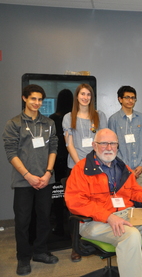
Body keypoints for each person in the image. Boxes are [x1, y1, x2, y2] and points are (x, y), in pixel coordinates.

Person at [65, 129, 142, 277]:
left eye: (113, 143)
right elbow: (75, 202)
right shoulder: (81, 169)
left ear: (118, 146)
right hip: (93, 222)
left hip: (124, 215)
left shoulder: (121, 167)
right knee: (130, 235)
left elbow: (135, 190)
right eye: (104, 143)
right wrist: (108, 216)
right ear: (94, 145)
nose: (109, 148)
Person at [3, 84, 59, 276]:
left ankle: (40, 251)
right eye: (33, 99)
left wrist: (48, 173)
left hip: (45, 180)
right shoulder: (14, 123)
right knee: (23, 221)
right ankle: (23, 258)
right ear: (24, 98)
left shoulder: (49, 123)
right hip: (23, 181)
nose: (37, 103)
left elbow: (53, 148)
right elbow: (11, 153)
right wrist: (27, 175)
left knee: (44, 217)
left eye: (40, 99)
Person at [108, 86, 142, 190]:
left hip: (140, 170)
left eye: (133, 98)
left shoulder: (141, 118)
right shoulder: (113, 119)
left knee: (141, 202)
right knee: (124, 201)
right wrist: (126, 167)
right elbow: (112, 147)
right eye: (127, 97)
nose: (130, 100)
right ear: (120, 99)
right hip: (122, 169)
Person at [63, 84, 107, 170]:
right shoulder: (69, 117)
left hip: (97, 164)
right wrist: (80, 165)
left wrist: (97, 162)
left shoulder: (100, 116)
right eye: (82, 94)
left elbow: (104, 142)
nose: (85, 97)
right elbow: (69, 144)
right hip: (76, 165)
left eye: (88, 94)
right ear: (76, 96)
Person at [48, 89, 73, 240]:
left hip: (57, 161)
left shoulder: (52, 118)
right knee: (73, 194)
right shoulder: (73, 118)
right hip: (72, 161)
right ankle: (74, 227)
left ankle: (59, 226)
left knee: (57, 193)